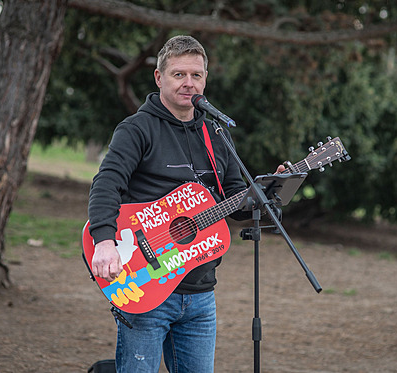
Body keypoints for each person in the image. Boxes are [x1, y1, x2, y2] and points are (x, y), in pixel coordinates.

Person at [87, 35, 282, 373]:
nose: (189, 83)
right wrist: (104, 240)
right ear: (159, 78)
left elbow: (236, 199)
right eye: (179, 74)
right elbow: (106, 184)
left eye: (197, 75)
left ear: (205, 79)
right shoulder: (136, 129)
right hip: (145, 285)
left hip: (201, 293)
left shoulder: (216, 134)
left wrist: (268, 195)